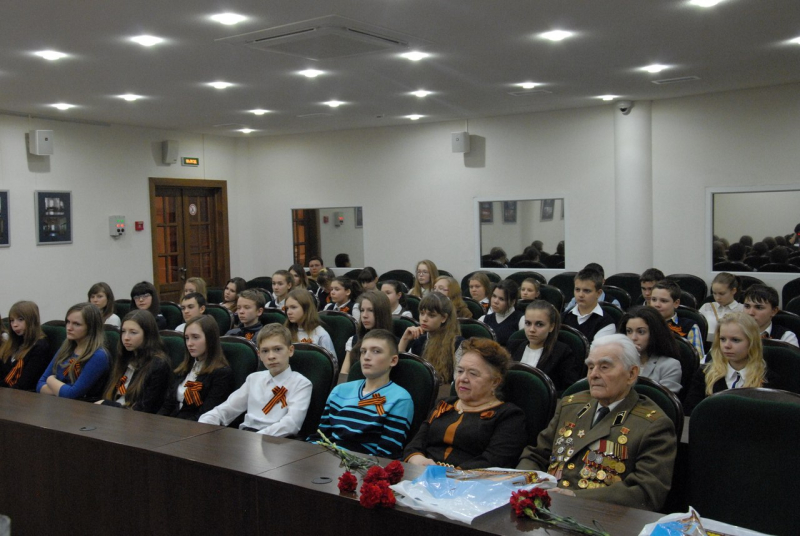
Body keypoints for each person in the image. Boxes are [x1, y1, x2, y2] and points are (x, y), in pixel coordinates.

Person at [517, 334, 676, 511]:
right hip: (546, 507)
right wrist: (527, 485)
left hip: (602, 516)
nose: (593, 375)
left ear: (631, 374)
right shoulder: (570, 405)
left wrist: (575, 497)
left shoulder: (652, 424)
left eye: (604, 367)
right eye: (591, 367)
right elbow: (535, 455)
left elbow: (646, 493)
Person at [404, 338, 526, 469]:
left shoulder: (509, 416)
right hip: (422, 474)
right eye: (460, 371)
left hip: (470, 479)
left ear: (495, 382)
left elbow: (494, 461)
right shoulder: (444, 404)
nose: (462, 379)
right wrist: (417, 459)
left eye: (473, 374)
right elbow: (416, 443)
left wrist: (449, 474)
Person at [309, 329, 413, 459]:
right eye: (363, 351)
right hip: (326, 458)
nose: (366, 357)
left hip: (364, 464)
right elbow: (321, 436)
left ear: (393, 360)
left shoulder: (400, 399)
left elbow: (387, 454)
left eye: (376, 351)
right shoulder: (339, 391)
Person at [199, 324, 312, 436]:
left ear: (290, 350)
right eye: (265, 351)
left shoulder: (301, 384)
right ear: (259, 355)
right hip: (246, 435)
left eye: (277, 349)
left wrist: (256, 438)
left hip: (277, 440)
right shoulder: (253, 379)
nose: (271, 356)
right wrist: (205, 422)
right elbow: (227, 409)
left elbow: (291, 424)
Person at [683, 313, 781, 415]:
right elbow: (691, 413)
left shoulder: (768, 380)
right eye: (722, 339)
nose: (727, 345)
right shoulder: (705, 374)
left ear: (752, 342)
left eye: (735, 340)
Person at [158, 315, 234, 420]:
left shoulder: (221, 373)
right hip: (172, 422)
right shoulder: (185, 367)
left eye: (195, 337)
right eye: (187, 338)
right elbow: (168, 405)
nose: (189, 343)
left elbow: (205, 414)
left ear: (210, 339)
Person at [97, 310, 173, 413]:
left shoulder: (158, 364)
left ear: (148, 335)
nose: (126, 338)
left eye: (133, 332)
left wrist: (109, 405)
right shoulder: (125, 356)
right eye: (123, 331)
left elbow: (145, 409)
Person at [36, 303, 110, 400]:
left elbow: (72, 394)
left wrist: (50, 380)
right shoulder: (66, 348)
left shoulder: (99, 356)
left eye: (76, 324)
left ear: (91, 328)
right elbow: (40, 385)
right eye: (68, 322)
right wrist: (61, 391)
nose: (69, 328)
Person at [508, 300, 580, 394]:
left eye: (539, 324)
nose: (532, 330)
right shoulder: (513, 346)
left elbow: (568, 390)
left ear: (551, 327)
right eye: (528, 323)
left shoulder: (562, 352)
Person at [398, 292, 464, 383]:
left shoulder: (457, 344)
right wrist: (404, 340)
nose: (424, 319)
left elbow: (458, 381)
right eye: (422, 313)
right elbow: (402, 371)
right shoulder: (420, 341)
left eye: (431, 315)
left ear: (444, 318)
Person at [619, 307, 682, 394]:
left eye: (641, 332)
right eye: (629, 331)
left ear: (654, 334)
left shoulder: (669, 365)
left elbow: (663, 400)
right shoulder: (619, 361)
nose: (633, 338)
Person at [0, 301, 51, 390]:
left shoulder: (40, 347)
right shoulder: (14, 343)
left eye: (20, 319)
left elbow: (24, 384)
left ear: (32, 320)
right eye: (12, 320)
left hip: (24, 395)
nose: (15, 325)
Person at [341, 290, 393, 374]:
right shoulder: (354, 340)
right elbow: (344, 373)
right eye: (362, 310)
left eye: (370, 310)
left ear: (382, 313)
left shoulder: (393, 342)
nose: (364, 315)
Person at [649, 280, 704, 359]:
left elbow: (697, 359)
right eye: (653, 299)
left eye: (663, 301)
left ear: (676, 303)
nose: (657, 305)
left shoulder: (690, 326)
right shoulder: (643, 323)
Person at [561, 269, 616, 343]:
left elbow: (597, 350)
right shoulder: (563, 317)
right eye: (577, 290)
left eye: (586, 291)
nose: (580, 295)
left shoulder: (606, 323)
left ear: (598, 293)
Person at [284, 289, 336, 356]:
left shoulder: (321, 334)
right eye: (287, 308)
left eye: (293, 307)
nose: (288, 312)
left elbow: (330, 360)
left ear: (306, 308)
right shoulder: (285, 332)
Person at [699, 273, 743, 343]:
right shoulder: (706, 307)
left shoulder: (742, 309)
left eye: (722, 294)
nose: (717, 298)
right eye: (714, 293)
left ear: (733, 291)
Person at [479, 280, 524, 347]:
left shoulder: (521, 320)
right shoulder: (483, 319)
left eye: (501, 299)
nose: (495, 301)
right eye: (494, 296)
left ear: (512, 302)